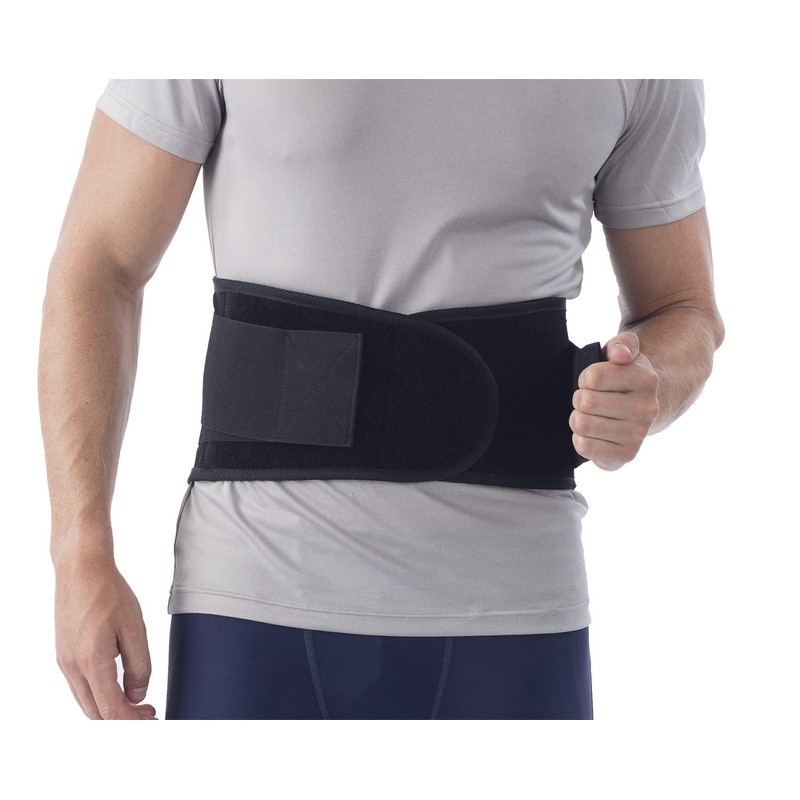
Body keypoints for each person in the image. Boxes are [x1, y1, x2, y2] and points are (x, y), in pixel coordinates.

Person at [39, 79, 725, 720]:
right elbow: (101, 264)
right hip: (254, 600)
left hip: (517, 609)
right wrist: (80, 552)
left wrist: (648, 381)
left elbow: (684, 308)